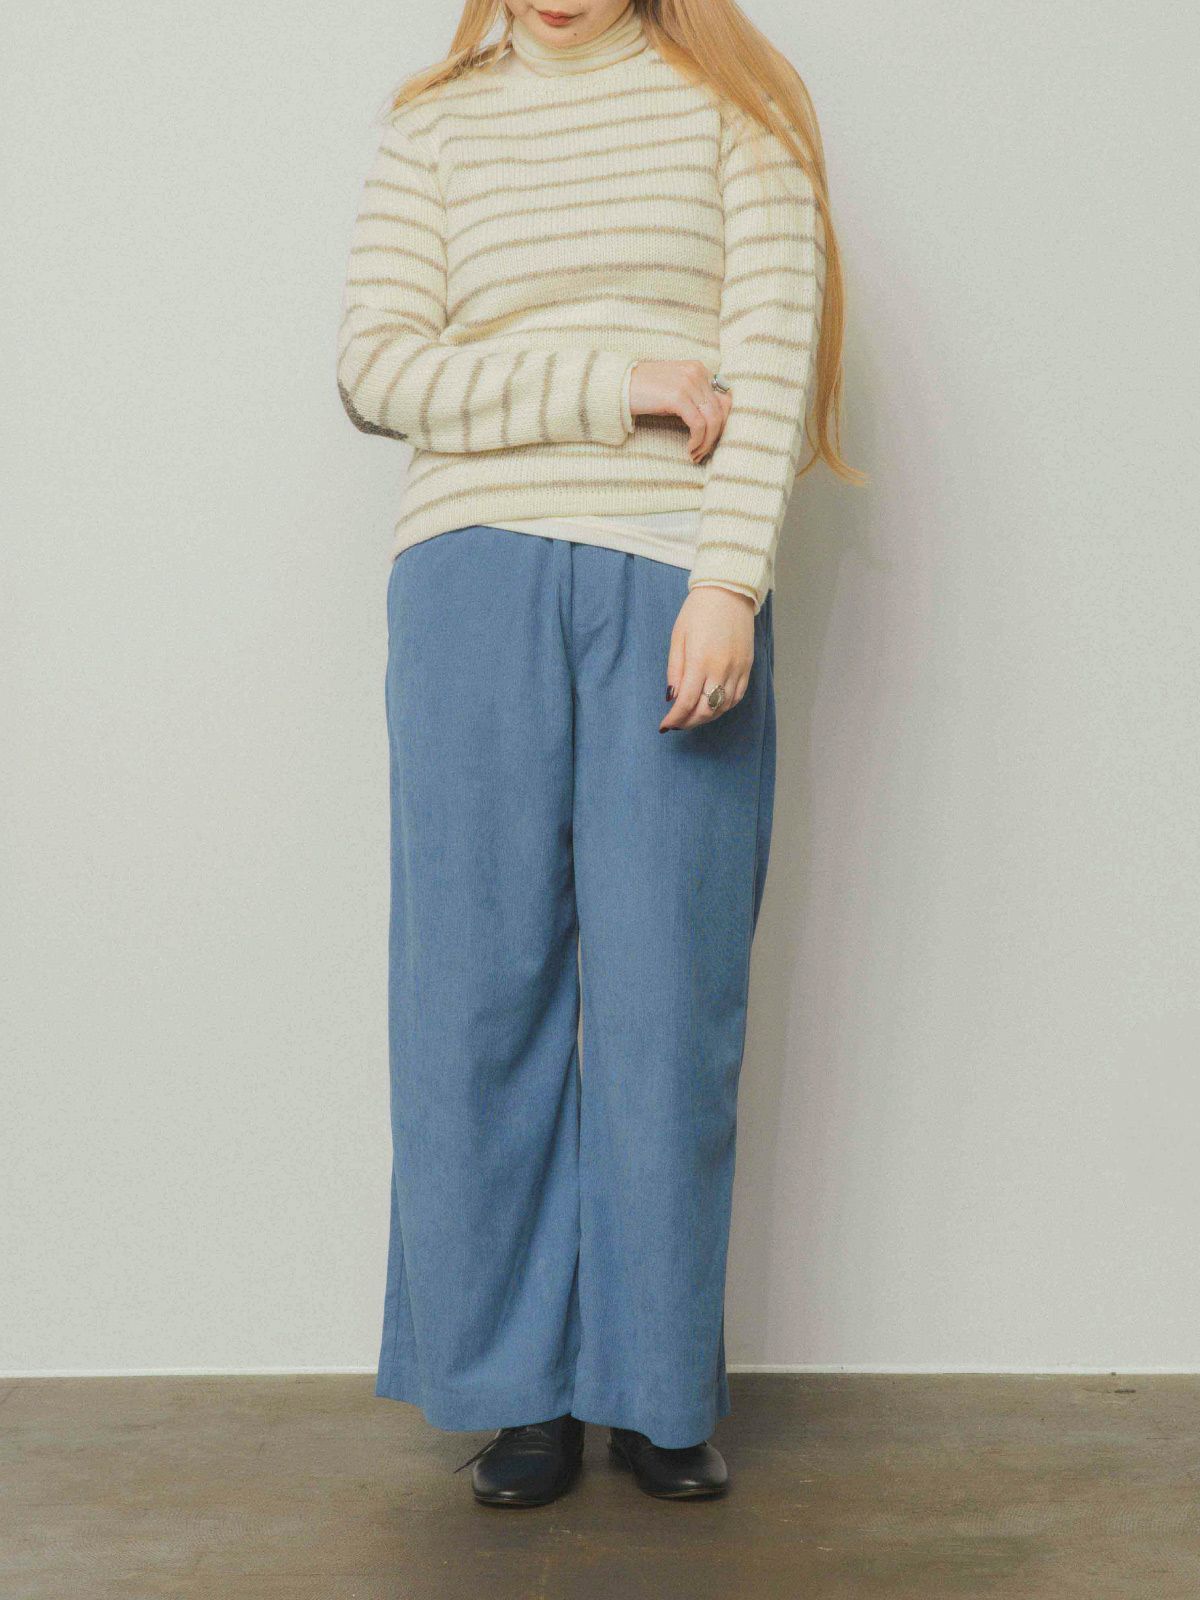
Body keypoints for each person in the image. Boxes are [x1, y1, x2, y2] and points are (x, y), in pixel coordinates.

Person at [336, 0, 855, 1507]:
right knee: (472, 994)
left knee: (666, 999)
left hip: (667, 571)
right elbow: (375, 367)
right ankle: (514, 1397)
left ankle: (655, 1388)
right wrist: (612, 381)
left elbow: (770, 358)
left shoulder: (739, 106)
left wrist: (728, 581)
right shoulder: (436, 124)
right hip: (469, 575)